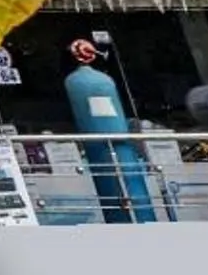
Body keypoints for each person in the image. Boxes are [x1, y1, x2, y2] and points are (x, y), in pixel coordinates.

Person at [64, 38, 158, 223]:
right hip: (115, 150)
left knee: (120, 188)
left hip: (107, 151)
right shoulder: (100, 81)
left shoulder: (77, 82)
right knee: (127, 191)